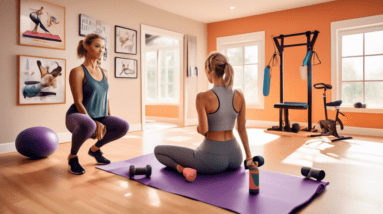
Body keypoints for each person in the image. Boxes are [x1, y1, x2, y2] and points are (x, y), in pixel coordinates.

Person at [154, 52, 258, 182]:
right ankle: (191, 163)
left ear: (209, 71)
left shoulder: (202, 97)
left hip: (212, 160)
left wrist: (199, 127)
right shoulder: (239, 94)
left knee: (158, 151)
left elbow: (203, 130)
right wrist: (249, 158)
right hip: (235, 157)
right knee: (199, 150)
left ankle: (182, 169)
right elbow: (241, 128)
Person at [66, 33, 129, 175]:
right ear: (86, 47)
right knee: (89, 124)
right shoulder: (77, 71)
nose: (102, 50)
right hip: (78, 116)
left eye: (103, 47)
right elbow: (78, 101)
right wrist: (93, 121)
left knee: (123, 126)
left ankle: (94, 150)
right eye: (97, 46)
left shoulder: (105, 72)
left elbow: (106, 97)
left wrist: (109, 117)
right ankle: (72, 157)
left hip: (99, 115)